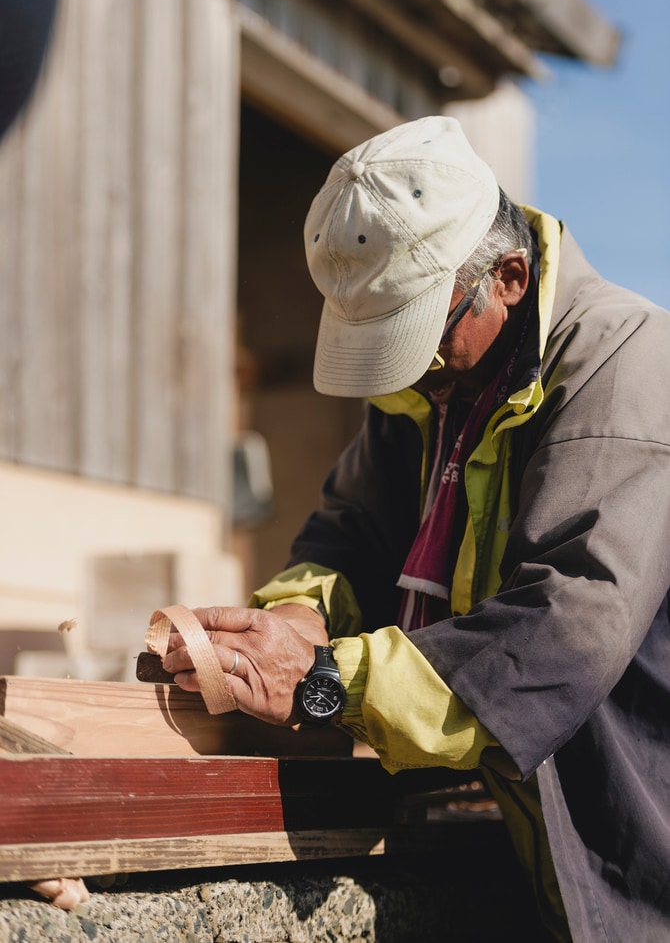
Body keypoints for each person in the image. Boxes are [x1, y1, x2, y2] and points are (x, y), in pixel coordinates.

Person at [161, 116, 670, 943]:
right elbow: (350, 534)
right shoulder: (435, 378)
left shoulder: (628, 363)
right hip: (535, 848)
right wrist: (295, 616)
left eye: (420, 337)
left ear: (507, 276)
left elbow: (562, 635)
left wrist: (329, 681)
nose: (414, 371)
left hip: (640, 857)